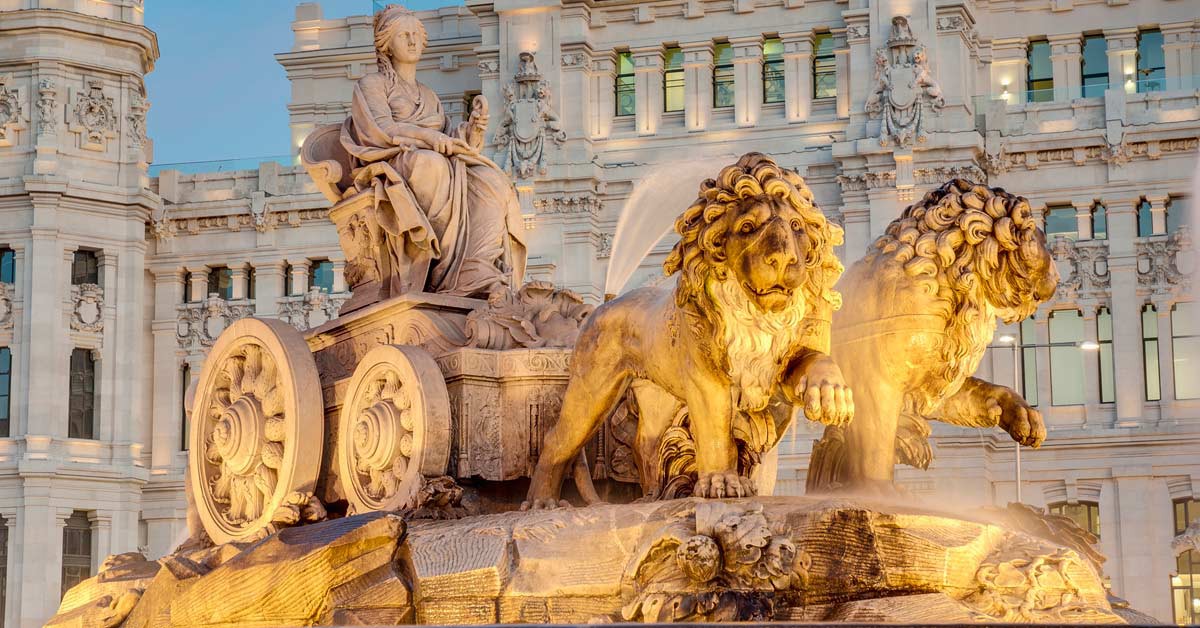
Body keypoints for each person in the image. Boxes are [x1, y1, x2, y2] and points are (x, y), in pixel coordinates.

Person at [340, 4, 526, 298]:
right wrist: (427, 137)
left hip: (437, 161)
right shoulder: (371, 85)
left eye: (416, 34)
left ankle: (475, 266)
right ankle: (442, 274)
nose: (413, 41)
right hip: (392, 163)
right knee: (432, 166)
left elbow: (451, 139)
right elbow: (381, 130)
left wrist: (473, 130)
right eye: (404, 35)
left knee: (493, 182)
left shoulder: (428, 95)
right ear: (386, 44)